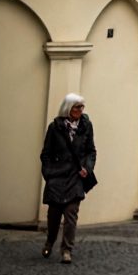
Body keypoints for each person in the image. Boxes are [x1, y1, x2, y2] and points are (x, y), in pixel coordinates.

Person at [40, 94, 97, 262]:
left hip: (75, 177)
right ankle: (50, 241)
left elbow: (91, 151)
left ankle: (66, 250)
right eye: (76, 107)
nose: (79, 110)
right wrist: (49, 174)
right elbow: (46, 154)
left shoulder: (86, 126)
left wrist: (87, 167)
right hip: (57, 177)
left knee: (71, 214)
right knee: (54, 215)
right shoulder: (55, 127)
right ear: (68, 108)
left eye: (81, 107)